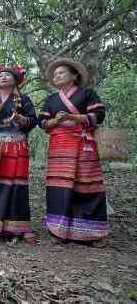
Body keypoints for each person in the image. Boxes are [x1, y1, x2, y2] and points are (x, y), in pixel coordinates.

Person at [38, 58, 109, 247]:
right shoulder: (52, 100)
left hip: (83, 145)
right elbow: (43, 122)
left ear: (74, 75)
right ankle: (59, 231)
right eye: (55, 74)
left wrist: (72, 117)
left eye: (61, 72)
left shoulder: (87, 93)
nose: (57, 76)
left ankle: (92, 234)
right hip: (59, 147)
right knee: (59, 186)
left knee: (87, 185)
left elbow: (98, 115)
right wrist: (56, 121)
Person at [0, 64, 37, 244]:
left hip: (17, 146)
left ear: (15, 80)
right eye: (0, 76)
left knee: (16, 185)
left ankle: (16, 227)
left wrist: (20, 118)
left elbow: (33, 120)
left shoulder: (24, 99)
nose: (3, 77)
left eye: (8, 75)